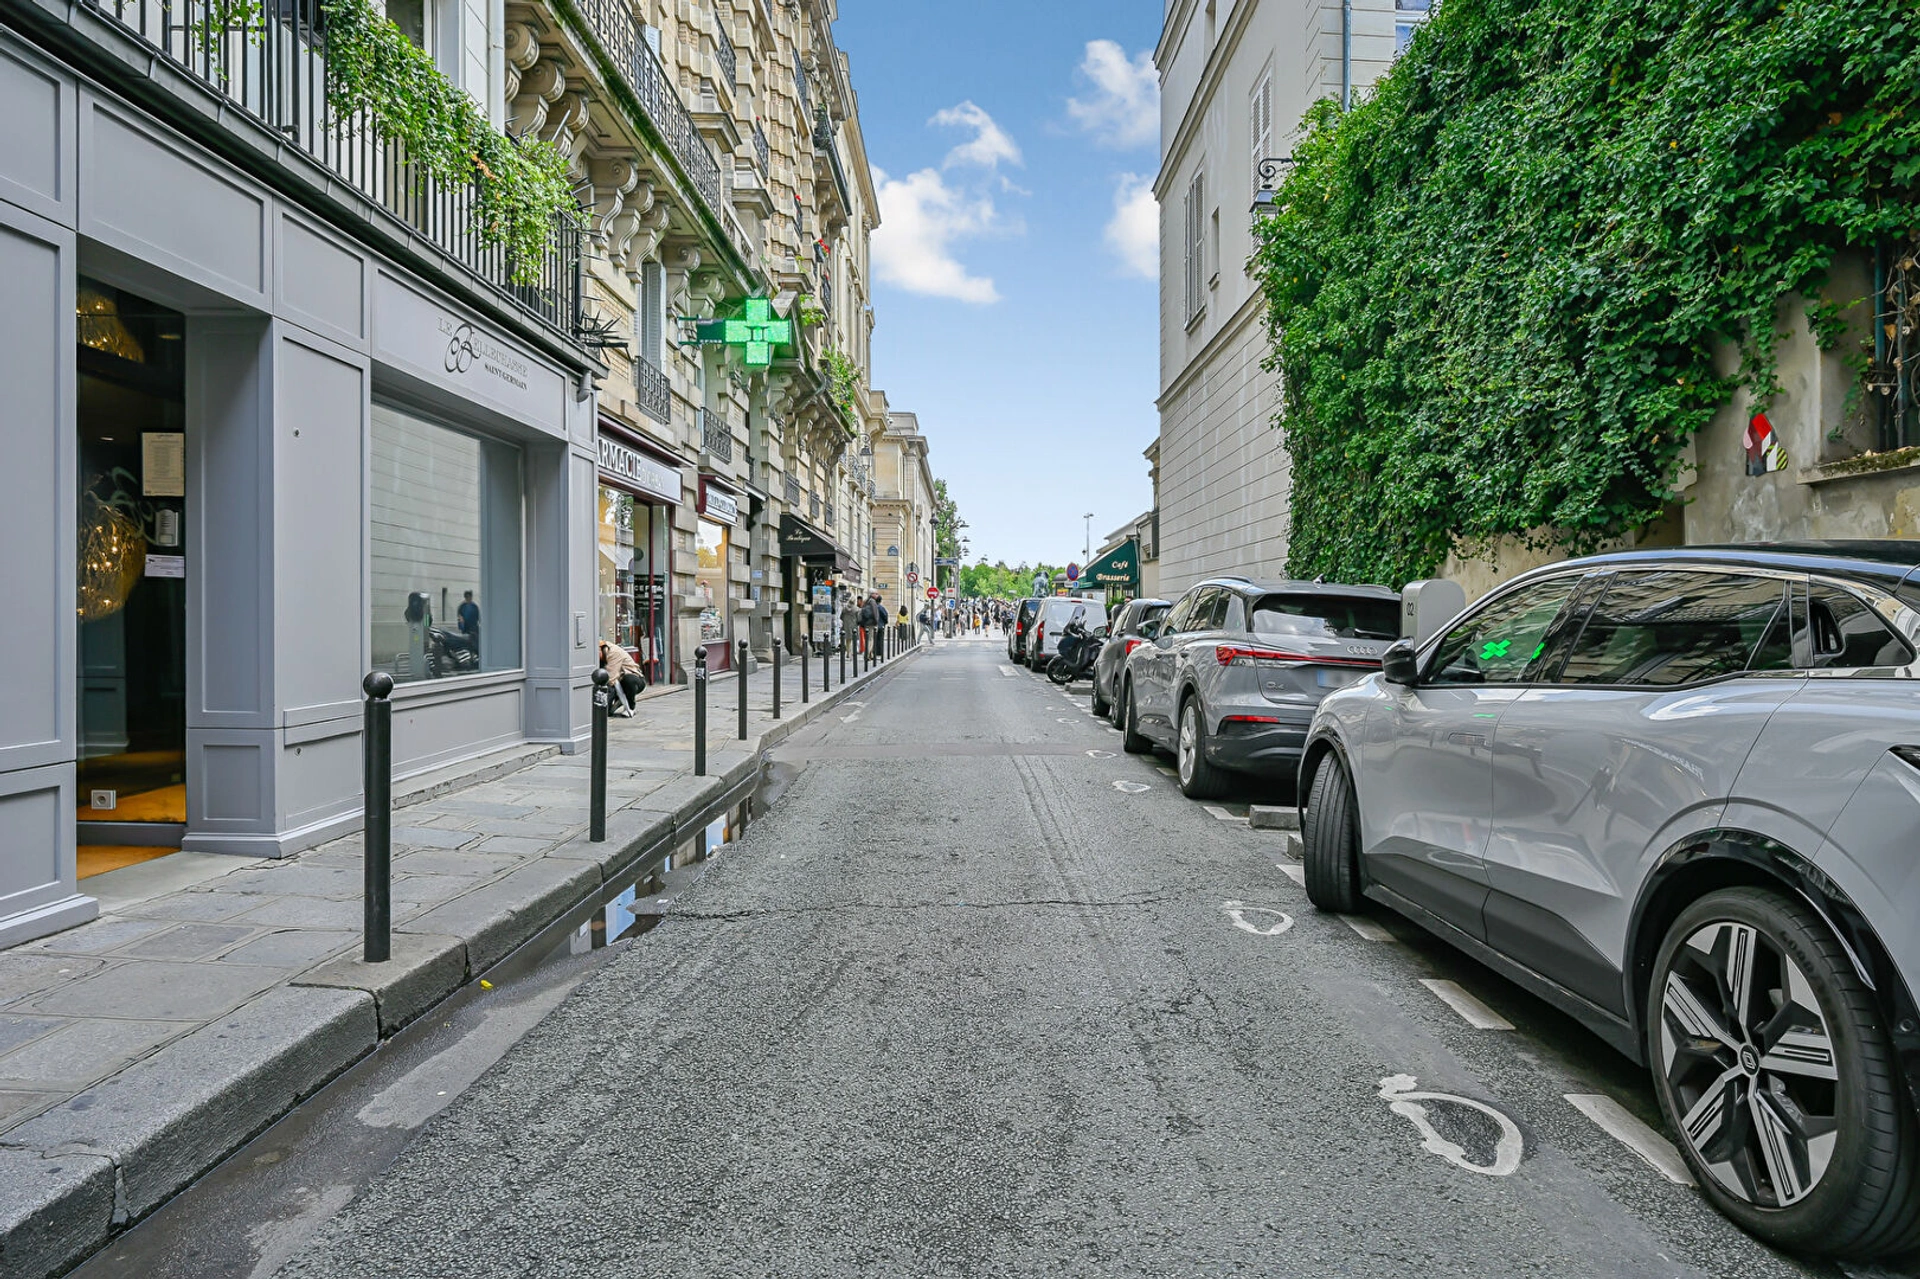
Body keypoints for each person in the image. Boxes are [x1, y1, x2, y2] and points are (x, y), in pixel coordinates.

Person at [597, 639, 645, 717]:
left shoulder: (614, 652)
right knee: (605, 713)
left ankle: (631, 707)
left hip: (634, 680)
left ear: (600, 649)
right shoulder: (603, 653)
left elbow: (611, 678)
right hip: (617, 683)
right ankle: (613, 704)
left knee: (628, 680)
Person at [457, 590, 480, 657]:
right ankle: (469, 655)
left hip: (473, 628)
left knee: (474, 643)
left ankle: (473, 655)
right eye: (467, 597)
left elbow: (478, 617)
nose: (469, 598)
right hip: (466, 628)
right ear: (465, 597)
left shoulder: (474, 606)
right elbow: (459, 616)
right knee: (467, 643)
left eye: (469, 597)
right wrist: (461, 622)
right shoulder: (462, 606)